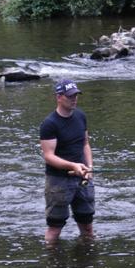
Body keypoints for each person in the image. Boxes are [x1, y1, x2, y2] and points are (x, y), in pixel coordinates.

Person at [39, 79, 95, 243]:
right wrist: (72, 165)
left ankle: (87, 254)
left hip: (82, 178)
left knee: (87, 225)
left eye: (76, 95)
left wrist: (89, 167)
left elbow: (85, 144)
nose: (74, 99)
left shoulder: (80, 116)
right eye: (70, 96)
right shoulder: (49, 124)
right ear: (59, 97)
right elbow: (48, 156)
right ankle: (51, 256)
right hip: (58, 181)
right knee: (55, 228)